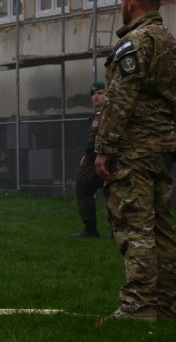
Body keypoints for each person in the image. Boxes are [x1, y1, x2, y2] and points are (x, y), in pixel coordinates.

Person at [94, 0, 176, 322]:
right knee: (161, 227)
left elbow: (120, 100)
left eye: (122, 2)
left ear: (129, 2)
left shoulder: (135, 43)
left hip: (134, 150)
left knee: (136, 228)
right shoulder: (172, 45)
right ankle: (165, 303)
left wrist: (104, 148)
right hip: (162, 147)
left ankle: (139, 305)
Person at [72, 81, 106, 238]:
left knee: (111, 193)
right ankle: (90, 230)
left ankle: (114, 232)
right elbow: (92, 139)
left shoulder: (111, 113)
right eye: (93, 94)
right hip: (92, 158)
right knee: (83, 187)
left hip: (106, 158)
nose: (96, 97)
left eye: (100, 93)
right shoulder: (97, 115)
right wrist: (86, 155)